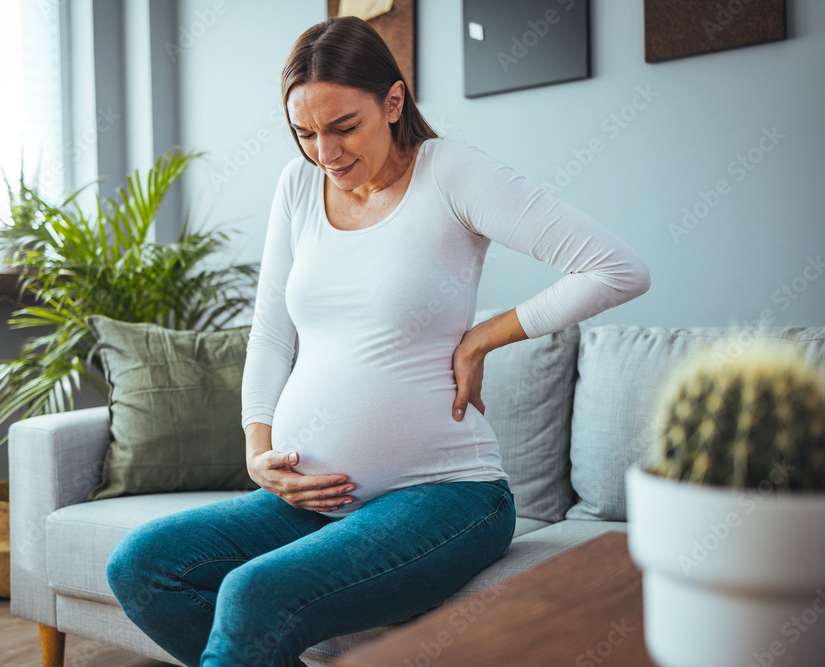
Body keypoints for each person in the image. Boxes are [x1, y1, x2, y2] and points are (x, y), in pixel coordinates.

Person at [106, 16, 650, 667]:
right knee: (141, 564)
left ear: (393, 102)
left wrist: (484, 337)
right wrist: (257, 448)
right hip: (313, 501)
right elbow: (273, 333)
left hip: (449, 496)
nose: (324, 152)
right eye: (305, 133)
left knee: (254, 592)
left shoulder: (449, 172)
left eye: (343, 127)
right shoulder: (299, 186)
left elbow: (618, 267)